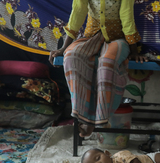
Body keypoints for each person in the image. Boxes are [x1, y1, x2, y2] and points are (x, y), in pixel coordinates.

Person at [49, 0, 147, 137]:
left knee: (107, 63)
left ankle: (95, 120)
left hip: (118, 40)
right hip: (91, 37)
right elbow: (77, 14)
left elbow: (127, 17)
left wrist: (134, 51)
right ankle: (81, 116)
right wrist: (64, 48)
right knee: (71, 57)